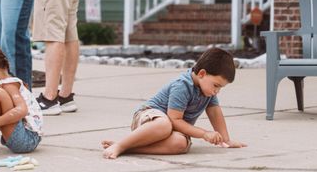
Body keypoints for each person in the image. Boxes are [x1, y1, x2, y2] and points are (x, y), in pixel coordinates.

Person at [101, 48, 247, 159]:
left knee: (180, 144)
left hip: (172, 129)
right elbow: (175, 120)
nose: (217, 91)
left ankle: (129, 148)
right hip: (149, 118)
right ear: (202, 74)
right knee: (164, 124)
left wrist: (226, 140)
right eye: (216, 85)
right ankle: (121, 145)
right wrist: (204, 134)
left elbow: (215, 112)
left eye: (221, 87)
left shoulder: (207, 91)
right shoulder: (182, 85)